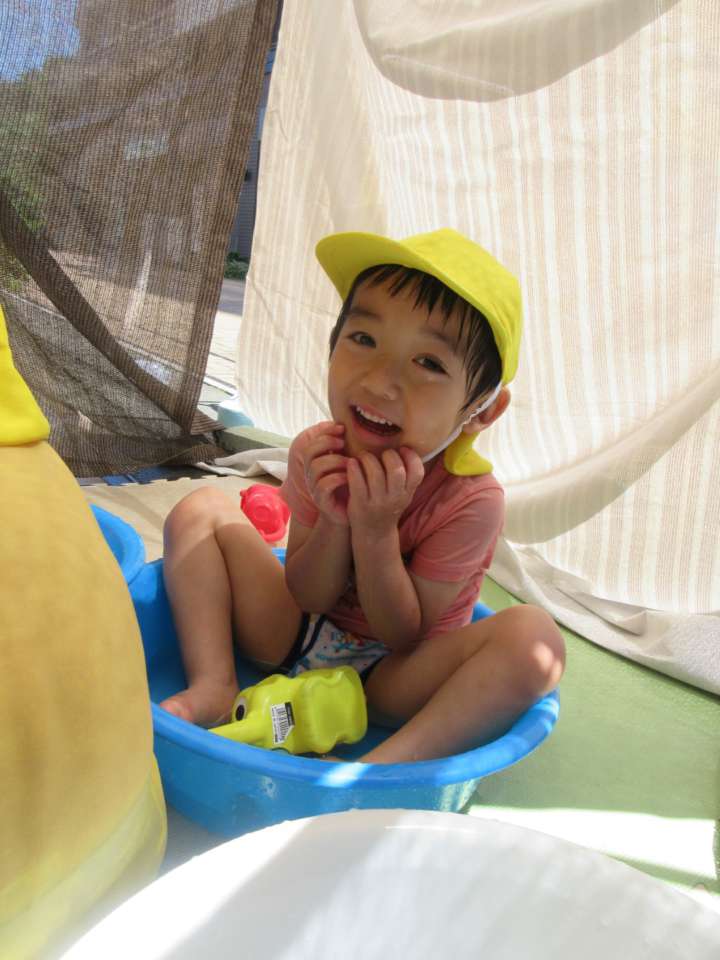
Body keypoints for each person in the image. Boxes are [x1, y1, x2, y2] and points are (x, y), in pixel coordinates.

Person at [160, 228, 565, 763]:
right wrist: (334, 520)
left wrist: (375, 532)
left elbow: (404, 634)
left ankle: (380, 770)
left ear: (481, 410)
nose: (379, 382)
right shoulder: (319, 452)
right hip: (297, 631)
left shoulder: (471, 501)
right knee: (201, 509)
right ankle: (213, 683)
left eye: (429, 364)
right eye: (364, 339)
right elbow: (307, 594)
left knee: (537, 640)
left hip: (393, 678)